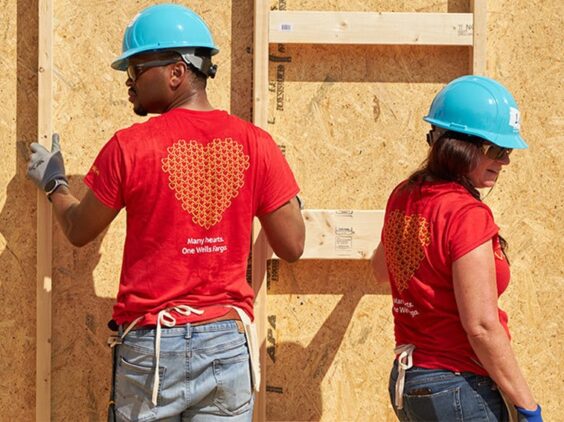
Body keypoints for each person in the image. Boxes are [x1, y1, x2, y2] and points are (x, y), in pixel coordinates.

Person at [27, 4, 305, 421]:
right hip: (226, 347)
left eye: (137, 69)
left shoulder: (131, 146)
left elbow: (79, 228)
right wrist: (282, 193)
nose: (129, 82)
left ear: (177, 72)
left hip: (154, 349)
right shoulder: (256, 144)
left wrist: (55, 185)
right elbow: (293, 245)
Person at [371, 75, 542, 421]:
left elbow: (380, 270)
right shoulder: (466, 214)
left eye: (507, 151)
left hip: (411, 381)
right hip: (458, 385)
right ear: (458, 146)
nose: (505, 160)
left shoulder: (404, 195)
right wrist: (528, 406)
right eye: (495, 149)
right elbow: (481, 325)